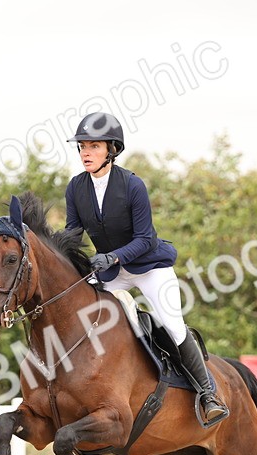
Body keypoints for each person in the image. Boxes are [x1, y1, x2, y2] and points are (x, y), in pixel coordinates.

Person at [64, 111, 229, 427]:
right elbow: (72, 233)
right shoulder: (76, 188)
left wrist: (112, 257)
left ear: (112, 150)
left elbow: (144, 239)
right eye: (82, 146)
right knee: (86, 317)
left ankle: (208, 394)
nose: (85, 152)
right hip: (112, 273)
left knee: (172, 325)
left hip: (149, 267)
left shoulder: (132, 185)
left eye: (94, 146)